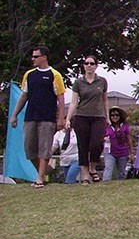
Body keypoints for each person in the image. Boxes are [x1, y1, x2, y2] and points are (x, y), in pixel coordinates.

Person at [9, 46, 66, 188]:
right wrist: (14, 115)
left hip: (47, 118)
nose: (33, 59)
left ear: (44, 57)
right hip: (30, 117)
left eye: (36, 56)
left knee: (44, 148)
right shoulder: (29, 74)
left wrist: (60, 118)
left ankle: (40, 178)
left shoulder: (55, 75)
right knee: (29, 148)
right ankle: (45, 171)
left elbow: (61, 98)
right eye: (32, 56)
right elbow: (24, 96)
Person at [64, 54, 109, 184]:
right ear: (83, 66)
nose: (89, 66)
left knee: (96, 144)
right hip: (81, 116)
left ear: (96, 66)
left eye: (91, 63)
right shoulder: (79, 82)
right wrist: (68, 118)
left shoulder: (102, 81)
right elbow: (73, 102)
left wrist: (107, 116)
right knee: (82, 146)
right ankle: (84, 175)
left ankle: (92, 168)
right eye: (86, 63)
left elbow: (105, 100)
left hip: (98, 117)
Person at [103, 107, 134, 181]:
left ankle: (120, 186)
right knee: (108, 168)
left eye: (117, 115)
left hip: (123, 152)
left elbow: (129, 139)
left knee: (121, 172)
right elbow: (100, 136)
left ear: (120, 116)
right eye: (112, 115)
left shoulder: (124, 126)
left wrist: (131, 152)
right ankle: (105, 184)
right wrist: (104, 139)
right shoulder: (106, 126)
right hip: (110, 152)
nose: (115, 117)